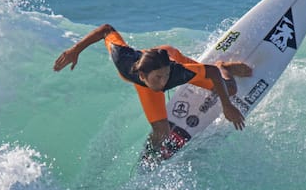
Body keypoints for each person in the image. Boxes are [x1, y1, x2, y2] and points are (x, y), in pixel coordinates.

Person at [53, 24, 251, 153]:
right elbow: (106, 30)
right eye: (159, 78)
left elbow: (211, 72)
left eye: (165, 77)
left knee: (229, 89)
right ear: (142, 76)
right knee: (161, 130)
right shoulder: (122, 58)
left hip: (168, 56)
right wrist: (75, 50)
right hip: (149, 69)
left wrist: (227, 105)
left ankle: (225, 65)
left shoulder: (176, 73)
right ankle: (152, 155)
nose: (164, 83)